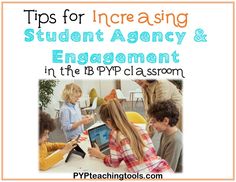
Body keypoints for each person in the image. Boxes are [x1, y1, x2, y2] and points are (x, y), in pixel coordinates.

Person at [88, 99, 172, 173]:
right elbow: (151, 153)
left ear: (109, 122)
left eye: (106, 124)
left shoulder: (115, 135)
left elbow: (114, 164)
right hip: (164, 168)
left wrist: (99, 155)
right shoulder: (139, 128)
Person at [148, 100, 183, 172]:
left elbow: (168, 170)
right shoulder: (165, 132)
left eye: (154, 121)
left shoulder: (175, 140)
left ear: (166, 121)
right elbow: (159, 158)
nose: (152, 124)